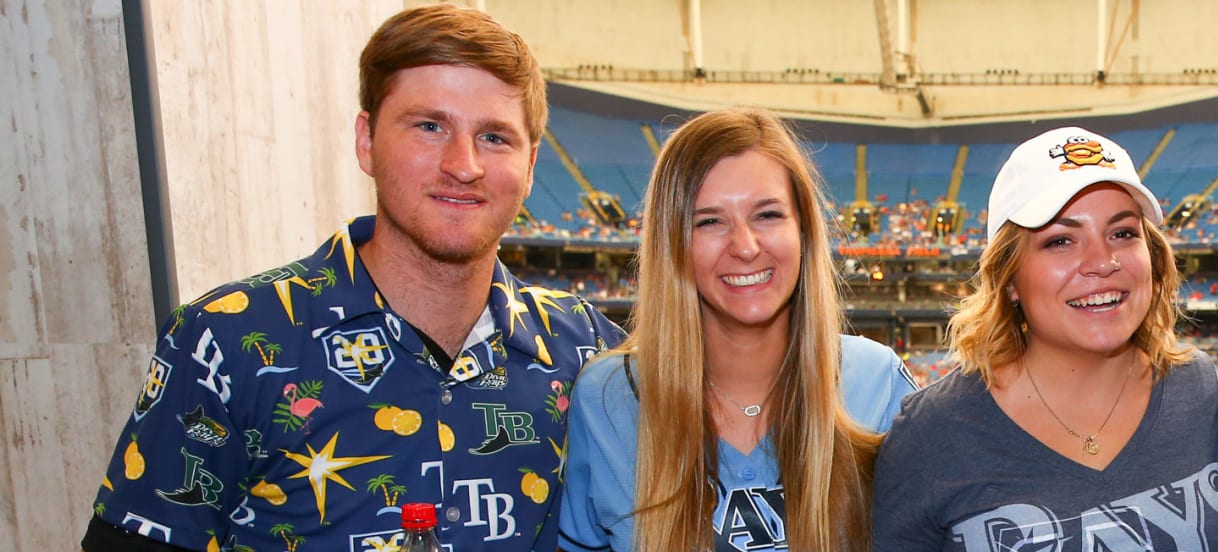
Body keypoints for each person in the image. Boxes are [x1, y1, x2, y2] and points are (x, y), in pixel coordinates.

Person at [83, 5, 626, 551]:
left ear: (531, 166)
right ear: (367, 141)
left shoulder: (590, 355)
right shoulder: (226, 342)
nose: (464, 165)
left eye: (494, 137)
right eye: (429, 126)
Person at [556, 108, 917, 551]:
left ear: (803, 230)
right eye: (709, 221)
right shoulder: (608, 397)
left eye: (767, 215)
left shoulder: (879, 383)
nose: (745, 247)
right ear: (672, 244)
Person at [871, 127, 1218, 551]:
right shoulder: (933, 432)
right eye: (1061, 240)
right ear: (1009, 279)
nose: (1102, 262)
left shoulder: (1198, 388)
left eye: (1123, 233)